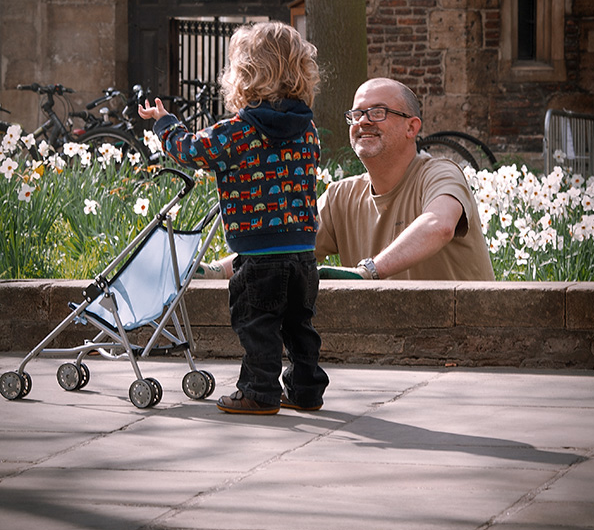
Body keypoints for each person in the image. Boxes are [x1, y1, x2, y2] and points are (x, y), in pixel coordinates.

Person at [139, 21, 329, 415]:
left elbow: (190, 151)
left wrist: (164, 123)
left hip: (259, 255)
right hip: (303, 252)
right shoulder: (307, 128)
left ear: (244, 76)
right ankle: (306, 391)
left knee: (256, 324)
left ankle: (259, 393)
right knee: (299, 326)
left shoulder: (236, 131)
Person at [315, 77, 495, 281]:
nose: (363, 121)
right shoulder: (339, 198)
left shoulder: (440, 174)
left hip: (457, 313)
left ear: (411, 127)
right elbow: (290, 241)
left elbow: (439, 224)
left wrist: (368, 272)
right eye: (356, 115)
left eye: (377, 113)